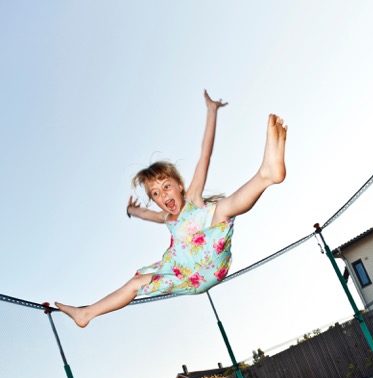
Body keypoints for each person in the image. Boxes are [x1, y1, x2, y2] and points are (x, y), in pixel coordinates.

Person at [55, 90, 287, 327]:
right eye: (155, 194)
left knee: (221, 210)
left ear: (179, 185)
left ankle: (266, 176)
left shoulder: (193, 196)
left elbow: (204, 154)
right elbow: (147, 214)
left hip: (213, 262)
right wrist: (132, 210)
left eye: (166, 187)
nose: (163, 195)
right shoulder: (166, 218)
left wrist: (211, 111)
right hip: (184, 274)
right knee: (134, 283)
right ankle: (87, 314)